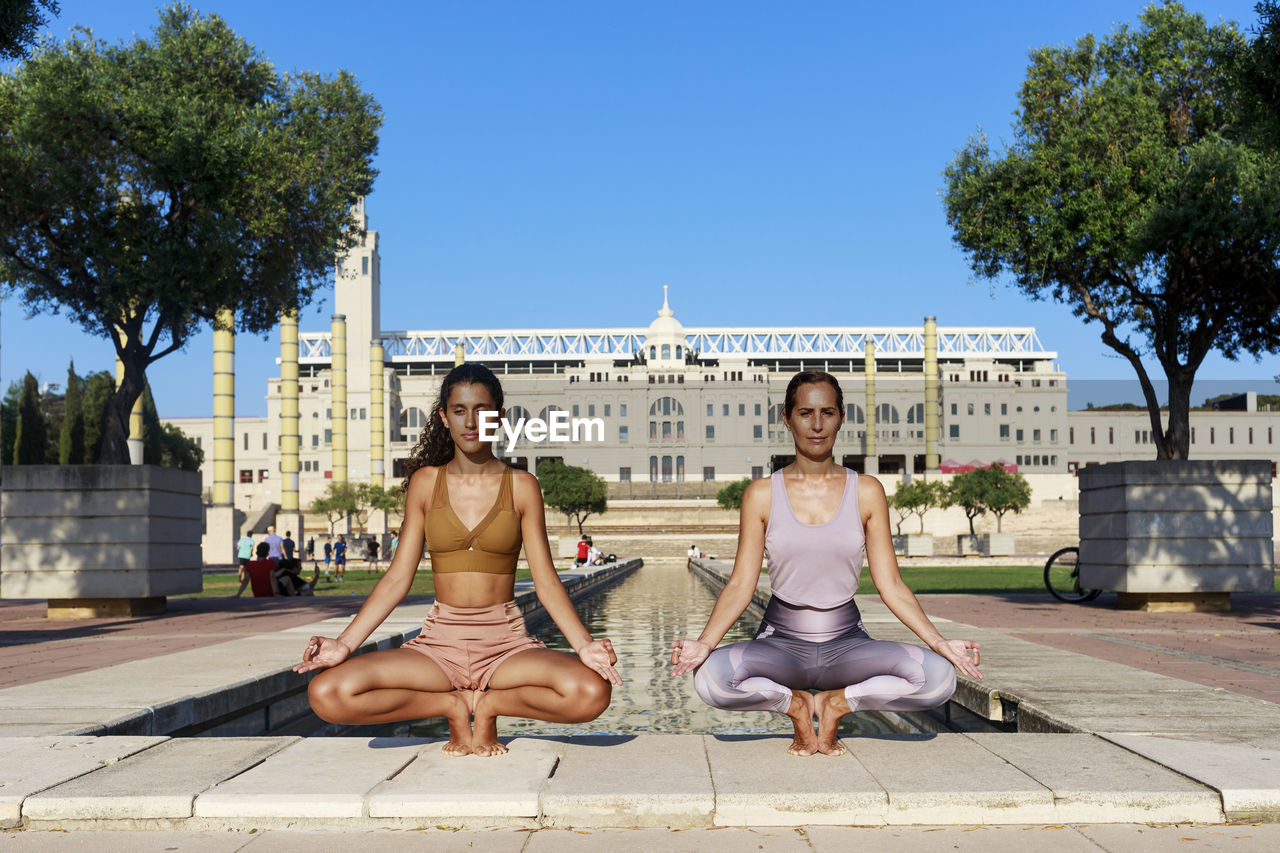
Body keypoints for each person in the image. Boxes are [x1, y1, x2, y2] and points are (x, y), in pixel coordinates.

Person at [295, 363, 619, 757]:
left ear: (498, 418)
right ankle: (451, 706)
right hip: (438, 646)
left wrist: (584, 646)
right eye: (460, 410)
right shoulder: (425, 483)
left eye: (482, 410)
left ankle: (489, 707)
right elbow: (398, 577)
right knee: (327, 693)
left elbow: (546, 581)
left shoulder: (521, 485)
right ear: (444, 417)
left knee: (590, 693)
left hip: (507, 646)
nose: (471, 421)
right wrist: (344, 645)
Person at [671, 371, 982, 757]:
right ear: (786, 418)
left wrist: (939, 642)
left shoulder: (867, 491)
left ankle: (838, 703)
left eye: (827, 412)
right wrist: (704, 644)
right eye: (805, 413)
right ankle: (796, 705)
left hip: (847, 646)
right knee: (710, 682)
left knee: (940, 678)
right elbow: (740, 585)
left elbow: (891, 585)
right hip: (780, 645)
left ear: (841, 416)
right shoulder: (761, 494)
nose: (817, 425)